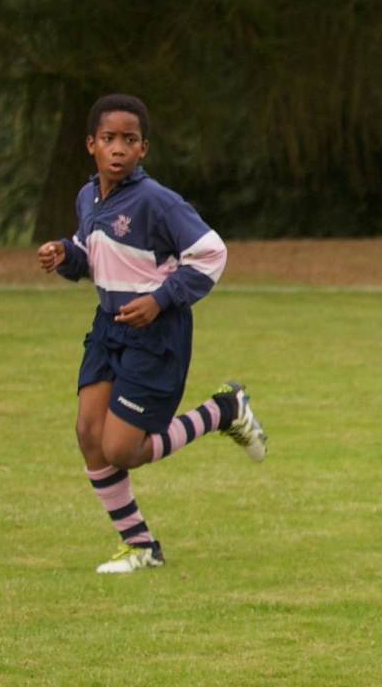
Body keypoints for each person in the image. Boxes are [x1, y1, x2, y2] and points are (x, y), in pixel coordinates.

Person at [35, 94, 267, 574]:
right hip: (108, 330)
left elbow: (211, 253)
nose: (118, 148)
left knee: (122, 449)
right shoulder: (88, 197)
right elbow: (90, 253)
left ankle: (223, 410)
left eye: (129, 140)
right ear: (90, 145)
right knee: (88, 433)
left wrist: (161, 299)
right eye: (108, 139)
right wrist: (64, 253)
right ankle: (140, 545)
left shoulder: (157, 201)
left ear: (143, 149)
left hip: (156, 336)